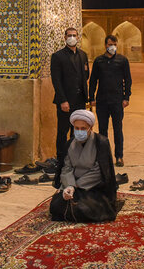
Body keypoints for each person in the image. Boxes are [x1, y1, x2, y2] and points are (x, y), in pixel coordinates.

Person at [50, 109, 118, 223]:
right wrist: (69, 186)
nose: (79, 131)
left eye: (83, 128)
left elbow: (99, 171)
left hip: (92, 187)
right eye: (77, 128)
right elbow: (66, 168)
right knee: (55, 207)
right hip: (72, 185)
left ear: (90, 128)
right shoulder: (70, 144)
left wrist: (76, 185)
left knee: (84, 209)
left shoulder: (101, 142)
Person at [51, 27, 90, 180]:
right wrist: (63, 100)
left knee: (78, 131)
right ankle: (61, 162)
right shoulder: (58, 56)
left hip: (80, 100)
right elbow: (56, 80)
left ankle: (77, 160)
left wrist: (86, 97)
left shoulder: (83, 55)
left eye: (74, 35)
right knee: (63, 132)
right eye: (69, 35)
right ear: (64, 37)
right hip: (65, 102)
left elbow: (85, 75)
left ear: (78, 37)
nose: (72, 38)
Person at [89, 35, 132, 167]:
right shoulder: (99, 61)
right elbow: (93, 81)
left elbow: (128, 80)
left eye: (114, 44)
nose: (112, 46)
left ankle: (119, 156)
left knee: (118, 129)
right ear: (105, 45)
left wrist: (126, 97)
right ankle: (103, 157)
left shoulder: (122, 60)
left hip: (117, 101)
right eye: (109, 44)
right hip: (102, 101)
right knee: (102, 130)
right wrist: (91, 98)